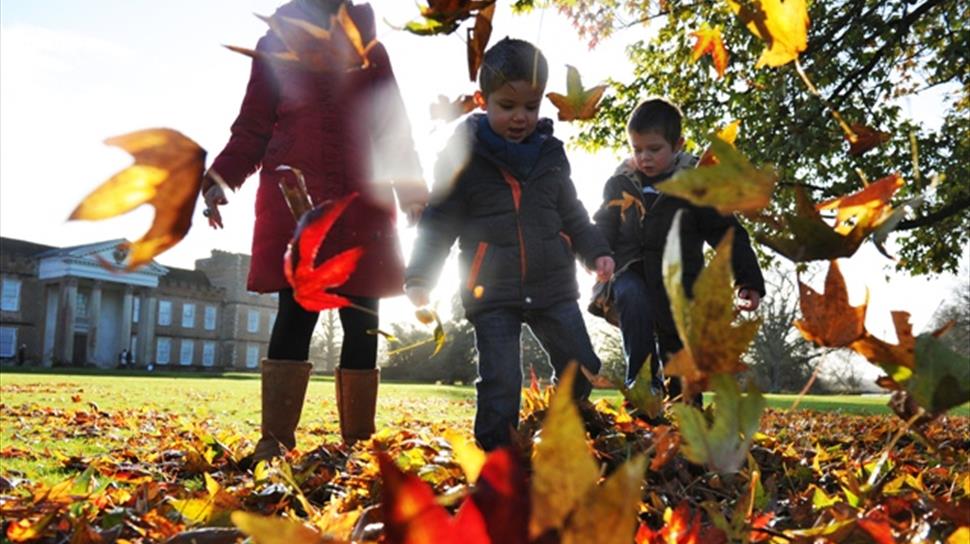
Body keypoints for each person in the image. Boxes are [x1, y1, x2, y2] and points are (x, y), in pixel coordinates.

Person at [200, 0, 427, 461]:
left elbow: (391, 126)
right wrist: (221, 179)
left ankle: (358, 444)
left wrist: (413, 192)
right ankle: (275, 441)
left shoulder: (370, 47)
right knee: (296, 311)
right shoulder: (275, 43)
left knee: (363, 318)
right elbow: (253, 127)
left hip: (363, 201)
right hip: (296, 200)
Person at [404, 38, 615, 451]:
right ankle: (497, 453)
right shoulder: (462, 156)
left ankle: (559, 430)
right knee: (501, 377)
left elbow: (571, 212)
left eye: (531, 106)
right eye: (507, 106)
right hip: (492, 287)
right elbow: (439, 219)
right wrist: (420, 275)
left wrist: (596, 251)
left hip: (552, 283)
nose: (521, 117)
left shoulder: (551, 154)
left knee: (582, 364)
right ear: (483, 100)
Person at [593, 98, 765, 404]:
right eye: (637, 149)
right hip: (630, 272)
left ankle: (687, 413)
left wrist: (747, 280)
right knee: (632, 299)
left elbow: (728, 233)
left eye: (654, 149)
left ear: (678, 145)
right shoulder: (620, 185)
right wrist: (596, 253)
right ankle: (643, 389)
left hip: (681, 287)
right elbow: (604, 225)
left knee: (680, 359)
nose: (644, 157)